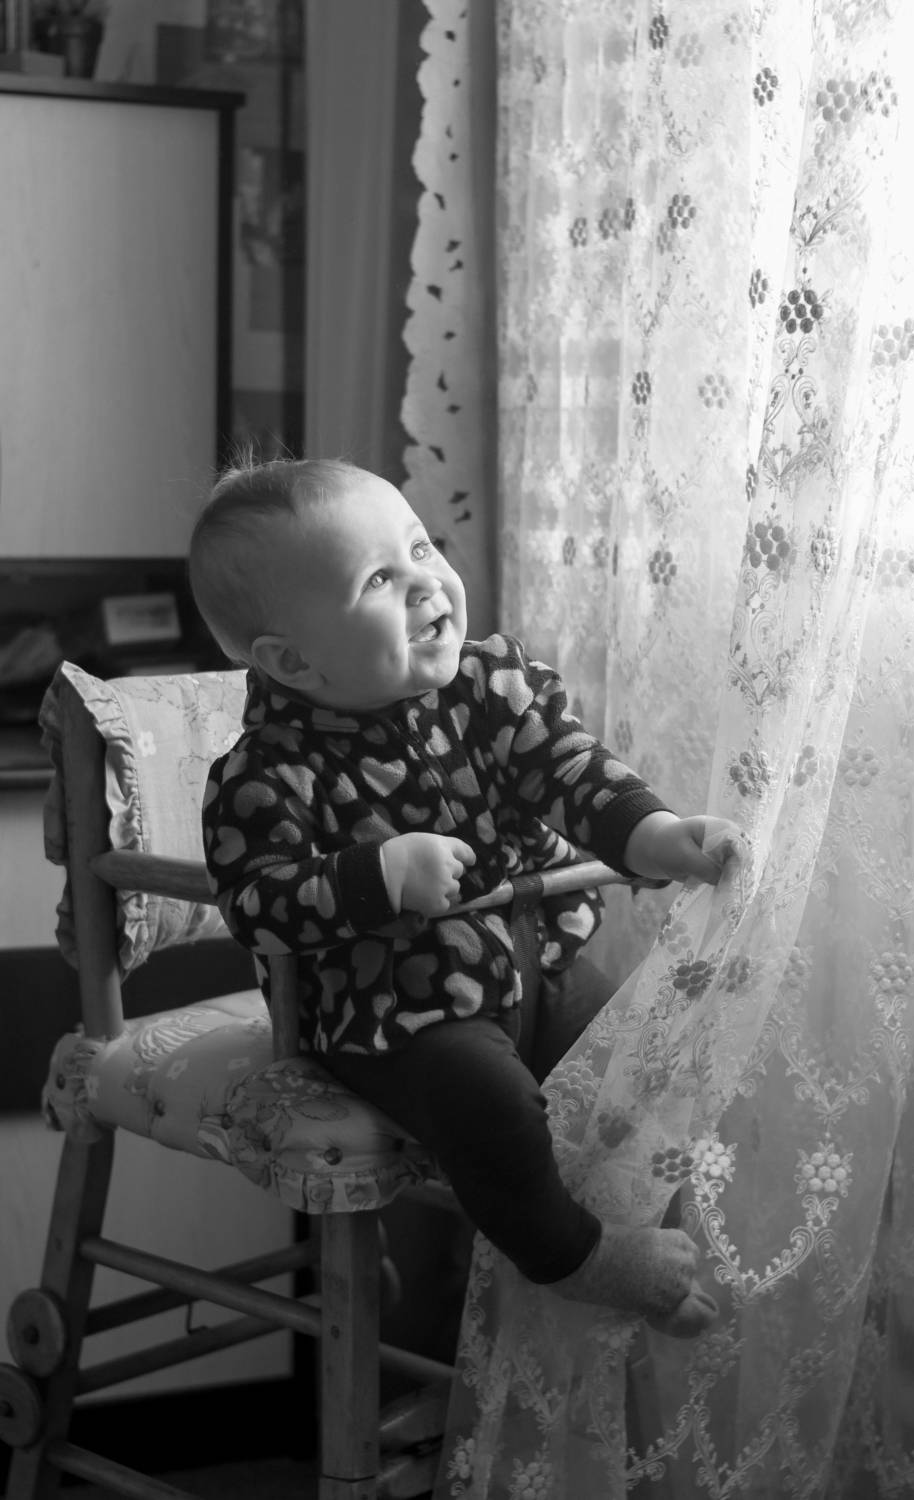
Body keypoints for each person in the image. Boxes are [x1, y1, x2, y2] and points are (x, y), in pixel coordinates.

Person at [189, 456, 739, 1337]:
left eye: (420, 548)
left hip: (535, 964)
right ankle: (574, 1257)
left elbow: (570, 771)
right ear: (291, 660)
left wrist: (656, 834)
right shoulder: (265, 773)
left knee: (634, 1056)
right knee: (490, 1106)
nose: (423, 583)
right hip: (390, 1012)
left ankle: (660, 1240)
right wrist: (377, 876)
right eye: (378, 579)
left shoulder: (489, 687)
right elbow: (257, 905)